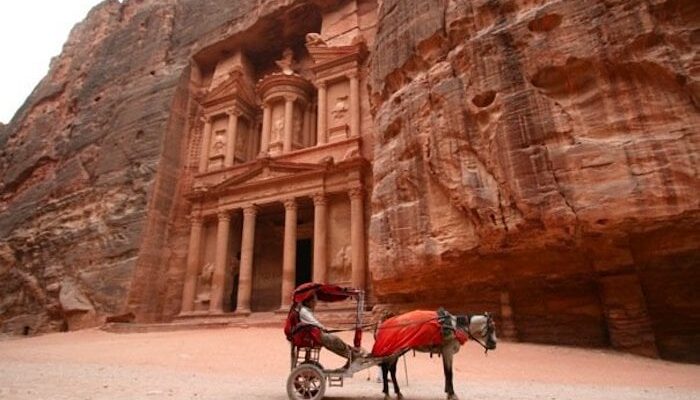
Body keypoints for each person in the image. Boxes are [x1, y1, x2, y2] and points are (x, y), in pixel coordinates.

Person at [298, 294, 365, 366]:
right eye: (314, 301)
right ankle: (351, 355)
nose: (315, 303)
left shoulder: (306, 310)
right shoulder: (304, 311)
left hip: (315, 333)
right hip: (314, 335)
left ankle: (351, 352)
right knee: (334, 340)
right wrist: (323, 328)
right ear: (308, 302)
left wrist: (323, 328)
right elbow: (314, 323)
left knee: (335, 340)